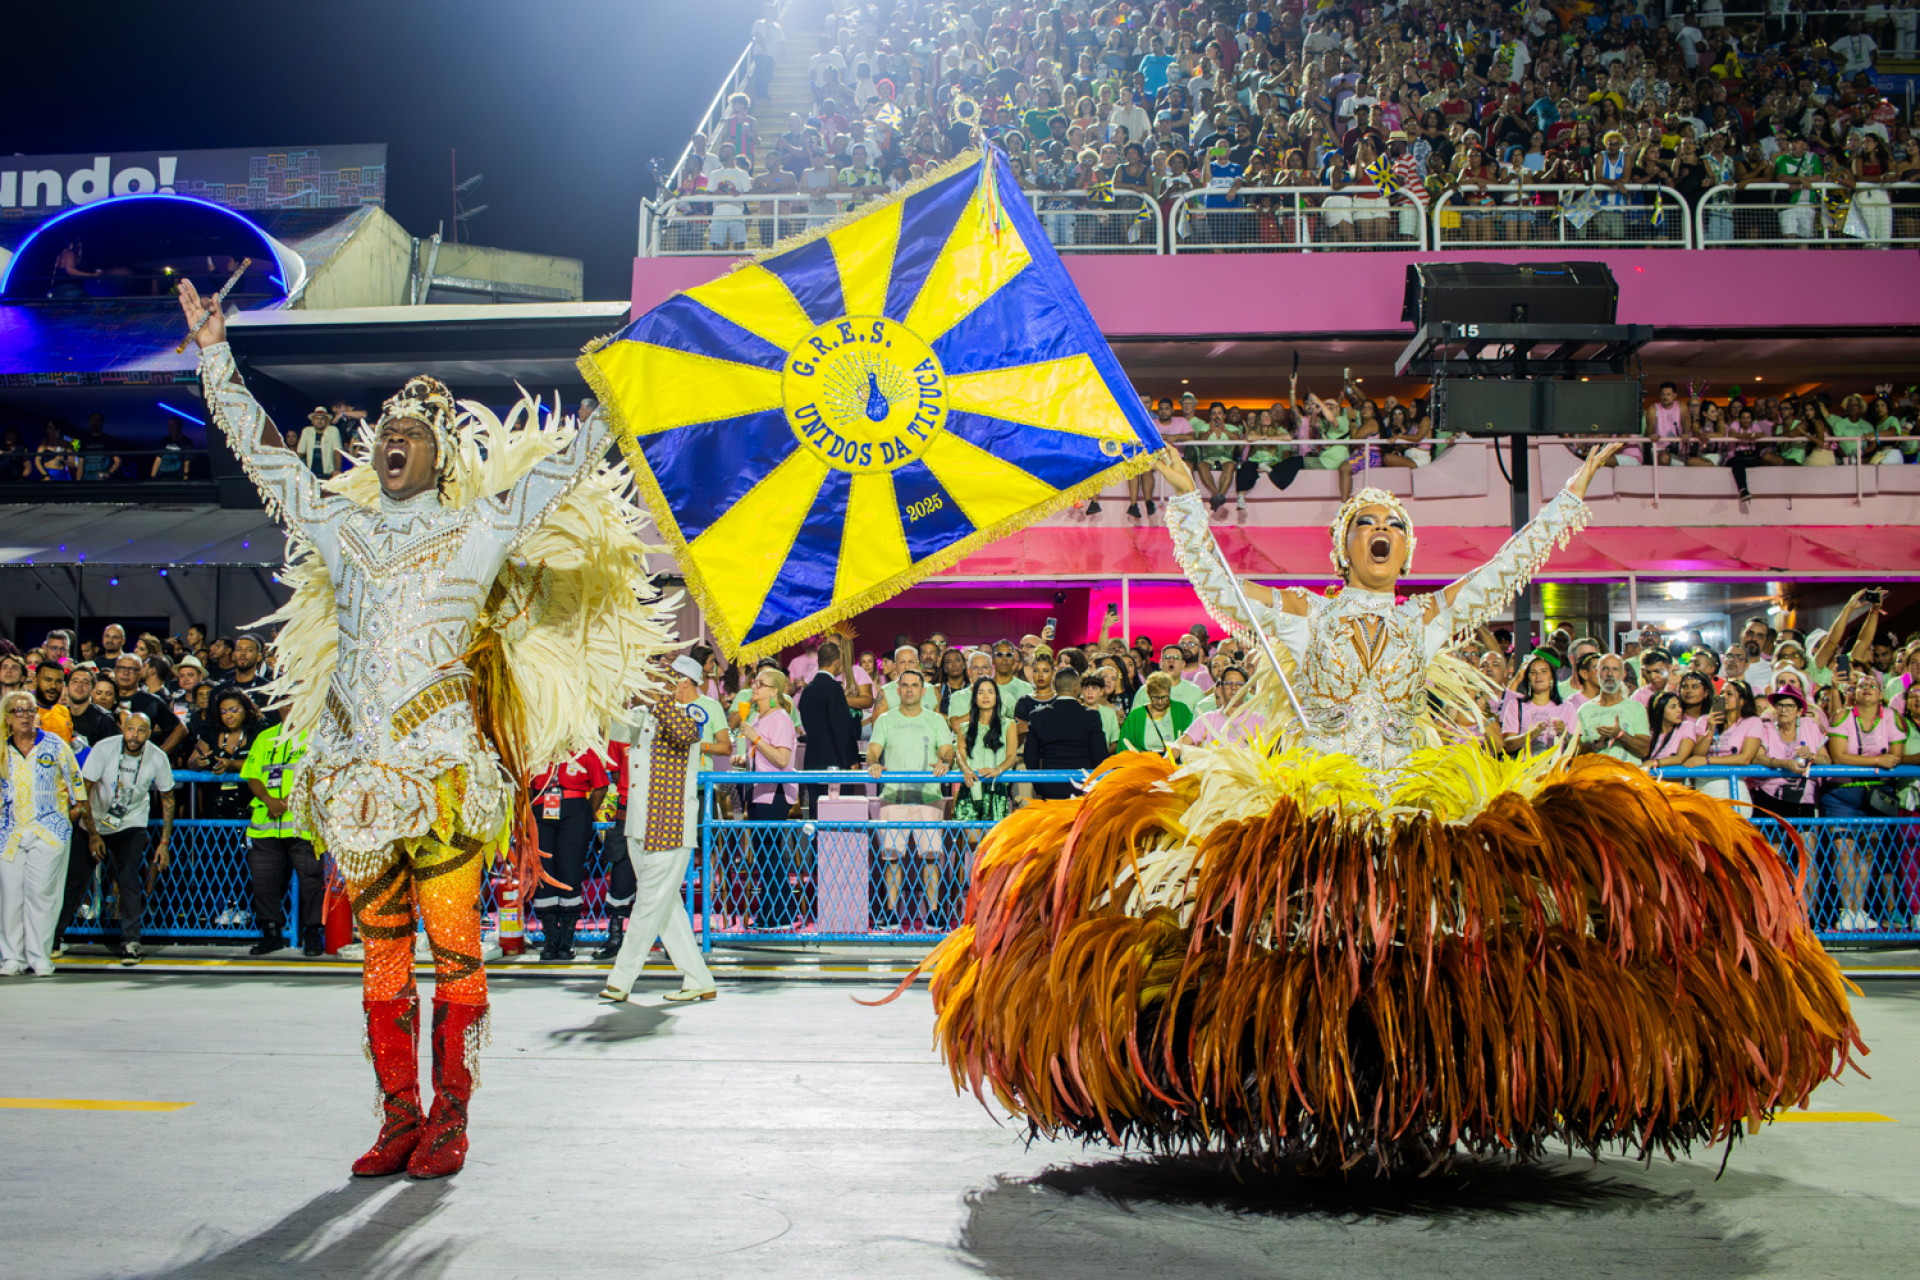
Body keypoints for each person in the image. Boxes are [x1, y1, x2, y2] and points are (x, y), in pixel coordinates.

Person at [913, 440, 1860, 1175]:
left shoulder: (1429, 619)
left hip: (1416, 812)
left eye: (1398, 525)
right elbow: (1217, 590)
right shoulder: (1298, 623)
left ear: (1407, 550)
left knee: (1424, 962)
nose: (1385, 531)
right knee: (1293, 959)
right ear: (1343, 545)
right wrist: (1189, 504)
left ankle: (1420, 1103)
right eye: (1368, 521)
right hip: (1313, 815)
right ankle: (1295, 1093)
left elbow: (1506, 575)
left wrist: (1573, 498)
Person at [178, 276, 674, 1179]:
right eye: (385, 436)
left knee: (456, 952)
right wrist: (216, 354)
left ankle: (452, 1117)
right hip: (356, 784)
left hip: (443, 778)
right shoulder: (340, 525)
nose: (392, 443)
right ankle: (397, 1115)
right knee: (380, 964)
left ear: (442, 456)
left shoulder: (481, 526)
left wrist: (619, 382)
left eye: (409, 436)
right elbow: (266, 457)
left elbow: (569, 467)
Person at [601, 656, 720, 1005]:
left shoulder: (693, 713)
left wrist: (656, 698)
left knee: (648, 905)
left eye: (667, 680)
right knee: (665, 910)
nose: (657, 685)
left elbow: (685, 735)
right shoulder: (648, 713)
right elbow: (614, 731)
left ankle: (620, 980)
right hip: (639, 825)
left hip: (668, 827)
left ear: (684, 683)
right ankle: (699, 978)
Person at [0, 691, 88, 976]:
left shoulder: (55, 744)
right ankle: (12, 957)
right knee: (10, 895)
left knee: (42, 894)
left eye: (29, 710)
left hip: (49, 832)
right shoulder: (1, 748)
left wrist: (71, 815)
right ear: (7, 717)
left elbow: (77, 785)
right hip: (8, 833)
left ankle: (39, 955)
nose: (25, 716)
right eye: (18, 711)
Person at [78, 711, 175, 967]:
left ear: (149, 732)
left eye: (141, 730)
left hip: (130, 824)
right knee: (75, 879)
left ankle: (131, 940)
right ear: (123, 728)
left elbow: (168, 799)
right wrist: (93, 834)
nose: (134, 735)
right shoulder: (104, 748)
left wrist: (164, 842)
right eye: (130, 729)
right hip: (95, 821)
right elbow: (84, 791)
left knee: (130, 879)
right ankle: (54, 937)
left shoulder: (157, 756)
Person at [866, 669, 954, 929]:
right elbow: (873, 750)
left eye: (914, 685)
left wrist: (945, 762)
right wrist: (873, 763)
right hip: (894, 796)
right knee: (892, 857)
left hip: (928, 796)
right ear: (898, 689)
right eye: (904, 685)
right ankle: (892, 912)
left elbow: (947, 749)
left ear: (923, 691)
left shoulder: (936, 720)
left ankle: (934, 912)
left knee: (930, 857)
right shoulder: (884, 720)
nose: (909, 689)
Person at [1824, 671, 1907, 931]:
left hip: (1877, 796)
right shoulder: (1842, 716)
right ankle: (1846, 911)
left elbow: (1896, 757)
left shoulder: (1892, 717)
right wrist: (1876, 761)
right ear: (1853, 693)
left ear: (1882, 694)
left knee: (1867, 854)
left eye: (1873, 685)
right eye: (1862, 685)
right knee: (1845, 852)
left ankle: (1858, 910)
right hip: (1843, 794)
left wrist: (1874, 763)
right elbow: (1839, 757)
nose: (1868, 687)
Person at [240, 720, 324, 957]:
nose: (289, 707)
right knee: (264, 883)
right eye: (284, 700)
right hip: (265, 825)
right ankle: (271, 935)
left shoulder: (315, 735)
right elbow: (252, 775)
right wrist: (268, 800)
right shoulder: (265, 736)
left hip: (302, 825)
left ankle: (311, 935)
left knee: (311, 881)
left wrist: (289, 801)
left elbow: (320, 773)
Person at [527, 746, 611, 961]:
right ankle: (550, 940)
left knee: (570, 872)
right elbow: (527, 787)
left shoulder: (585, 751)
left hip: (575, 810)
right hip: (540, 807)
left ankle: (567, 940)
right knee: (543, 872)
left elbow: (601, 786)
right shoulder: (537, 751)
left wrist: (584, 812)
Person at [740, 667, 799, 928]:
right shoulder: (758, 716)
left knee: (770, 854)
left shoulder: (780, 718)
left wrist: (755, 740)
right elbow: (762, 757)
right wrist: (743, 759)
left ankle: (779, 913)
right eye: (754, 682)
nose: (754, 687)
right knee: (765, 856)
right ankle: (776, 911)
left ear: (774, 691)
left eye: (760, 684)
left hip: (774, 792)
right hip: (757, 790)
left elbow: (783, 759)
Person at [1020, 669, 1110, 800]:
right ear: (1076, 687)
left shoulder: (1038, 716)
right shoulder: (1091, 716)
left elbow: (1030, 756)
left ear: (1055, 687)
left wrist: (1039, 785)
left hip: (1049, 787)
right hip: (1083, 787)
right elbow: (1100, 756)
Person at [1754, 687, 1829, 822]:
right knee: (1773, 843)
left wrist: (1811, 756)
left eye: (1789, 706)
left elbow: (1826, 760)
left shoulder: (1810, 726)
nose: (1783, 710)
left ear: (1799, 711)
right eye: (1780, 705)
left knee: (1806, 842)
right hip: (1769, 795)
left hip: (1804, 798)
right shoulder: (1766, 727)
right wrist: (1785, 763)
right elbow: (1757, 758)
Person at [953, 678, 1015, 824]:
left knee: (993, 844)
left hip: (996, 789)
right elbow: (960, 753)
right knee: (973, 845)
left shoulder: (1008, 725)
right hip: (970, 786)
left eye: (990, 692)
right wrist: (966, 769)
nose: (986, 696)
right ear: (975, 698)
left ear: (996, 697)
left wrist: (998, 770)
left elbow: (1012, 756)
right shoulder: (965, 727)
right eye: (981, 692)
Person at [1576, 655, 1651, 762]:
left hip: (1626, 776)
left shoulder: (1636, 708)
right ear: (1597, 673)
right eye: (1605, 668)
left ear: (1622, 675)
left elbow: (1644, 750)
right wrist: (1595, 746)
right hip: (1594, 775)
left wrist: (1619, 734)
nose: (1610, 674)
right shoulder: (1584, 710)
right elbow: (1576, 753)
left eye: (1615, 669)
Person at [1119, 671, 1193, 751]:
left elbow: (1192, 737)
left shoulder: (1181, 710)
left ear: (1169, 692)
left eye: (1164, 697)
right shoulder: (1136, 715)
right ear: (1148, 694)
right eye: (1156, 698)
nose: (1160, 702)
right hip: (1144, 759)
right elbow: (1124, 744)